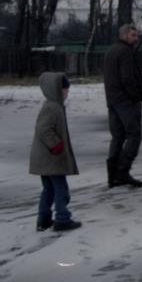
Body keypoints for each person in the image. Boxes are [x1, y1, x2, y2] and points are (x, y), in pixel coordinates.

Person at [29, 72, 82, 232]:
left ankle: (44, 220)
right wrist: (56, 144)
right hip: (51, 157)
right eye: (65, 89)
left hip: (46, 157)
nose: (67, 92)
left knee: (49, 189)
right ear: (55, 89)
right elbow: (44, 129)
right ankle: (62, 219)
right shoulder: (52, 107)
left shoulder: (53, 106)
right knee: (61, 190)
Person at [103, 24, 142, 188]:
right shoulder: (125, 52)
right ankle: (122, 171)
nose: (136, 38)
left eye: (136, 35)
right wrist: (135, 97)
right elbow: (127, 78)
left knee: (118, 137)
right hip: (126, 101)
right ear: (124, 35)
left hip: (113, 100)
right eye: (133, 35)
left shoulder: (111, 50)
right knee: (134, 135)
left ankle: (113, 176)